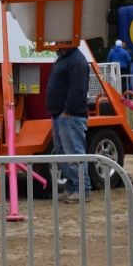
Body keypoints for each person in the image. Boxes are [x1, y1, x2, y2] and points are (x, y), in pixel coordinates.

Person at [45, 45, 92, 202]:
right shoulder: (63, 58)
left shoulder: (77, 61)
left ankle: (82, 189)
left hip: (70, 115)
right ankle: (72, 188)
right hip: (61, 115)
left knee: (74, 153)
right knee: (63, 154)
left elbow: (78, 89)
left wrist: (67, 111)